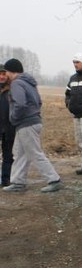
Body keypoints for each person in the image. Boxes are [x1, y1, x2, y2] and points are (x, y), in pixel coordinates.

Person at [2, 58, 62, 192]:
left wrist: (14, 117)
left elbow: (20, 104)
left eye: (5, 72)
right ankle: (18, 182)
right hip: (31, 121)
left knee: (34, 153)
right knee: (18, 153)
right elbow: (38, 102)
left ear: (11, 71)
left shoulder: (17, 83)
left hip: (25, 123)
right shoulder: (29, 83)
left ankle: (54, 179)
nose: (5, 75)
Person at [0, 63, 16, 186]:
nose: (2, 76)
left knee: (8, 156)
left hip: (9, 128)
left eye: (4, 74)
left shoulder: (14, 89)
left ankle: (6, 180)